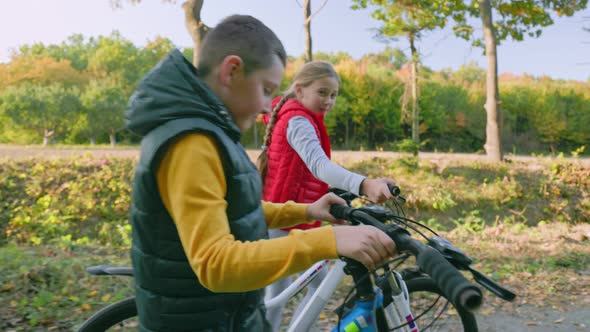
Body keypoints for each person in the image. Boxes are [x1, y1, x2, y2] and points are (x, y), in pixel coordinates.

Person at [125, 15, 396, 332]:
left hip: (224, 316)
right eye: (266, 89)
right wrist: (329, 239)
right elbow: (216, 263)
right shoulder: (192, 144)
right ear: (232, 70)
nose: (269, 106)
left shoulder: (210, 132)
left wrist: (305, 210)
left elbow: (231, 209)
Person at [257, 60, 397, 331]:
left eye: (333, 95)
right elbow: (319, 166)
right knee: (274, 300)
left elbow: (305, 174)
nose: (328, 101)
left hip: (293, 220)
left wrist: (348, 189)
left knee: (312, 287)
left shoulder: (301, 117)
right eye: (322, 92)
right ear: (300, 90)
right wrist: (365, 185)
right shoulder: (297, 121)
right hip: (281, 223)